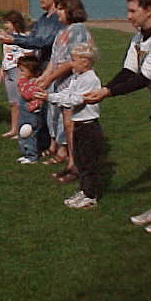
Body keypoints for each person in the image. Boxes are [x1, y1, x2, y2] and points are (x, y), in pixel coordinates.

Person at [84, 0, 151, 233]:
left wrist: (108, 94)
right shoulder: (138, 38)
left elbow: (144, 78)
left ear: (149, 10)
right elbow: (128, 72)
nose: (128, 16)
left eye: (133, 11)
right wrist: (105, 87)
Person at [37, 42, 102, 209]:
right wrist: (49, 95)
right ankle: (84, 190)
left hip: (89, 126)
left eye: (75, 60)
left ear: (86, 61)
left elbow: (76, 99)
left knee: (88, 162)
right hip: (79, 124)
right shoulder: (77, 77)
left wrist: (49, 98)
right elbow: (68, 94)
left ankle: (90, 195)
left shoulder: (90, 79)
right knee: (80, 159)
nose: (71, 63)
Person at [36, 0, 93, 181]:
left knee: (72, 125)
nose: (57, 12)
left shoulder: (77, 30)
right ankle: (70, 162)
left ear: (71, 10)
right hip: (60, 85)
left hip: (74, 84)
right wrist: (43, 78)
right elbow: (54, 60)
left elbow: (72, 60)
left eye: (61, 8)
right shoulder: (62, 32)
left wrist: (50, 77)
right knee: (66, 124)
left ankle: (75, 165)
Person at [0, 0, 63, 70]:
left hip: (54, 66)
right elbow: (32, 38)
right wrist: (10, 36)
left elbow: (43, 42)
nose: (40, 0)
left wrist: (14, 39)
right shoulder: (42, 19)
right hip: (42, 64)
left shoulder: (58, 19)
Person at [0, 10, 33, 138]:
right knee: (13, 102)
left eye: (7, 22)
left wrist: (20, 59)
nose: (5, 25)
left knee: (21, 101)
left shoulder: (24, 36)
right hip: (8, 70)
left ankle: (23, 127)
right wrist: (2, 70)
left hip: (18, 70)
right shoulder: (7, 37)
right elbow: (6, 55)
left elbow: (30, 52)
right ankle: (14, 128)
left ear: (15, 22)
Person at [15, 55, 49, 164]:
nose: (21, 73)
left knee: (28, 134)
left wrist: (22, 82)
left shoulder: (35, 83)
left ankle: (32, 156)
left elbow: (27, 95)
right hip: (24, 113)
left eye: (23, 71)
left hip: (31, 114)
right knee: (23, 133)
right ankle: (26, 153)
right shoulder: (27, 82)